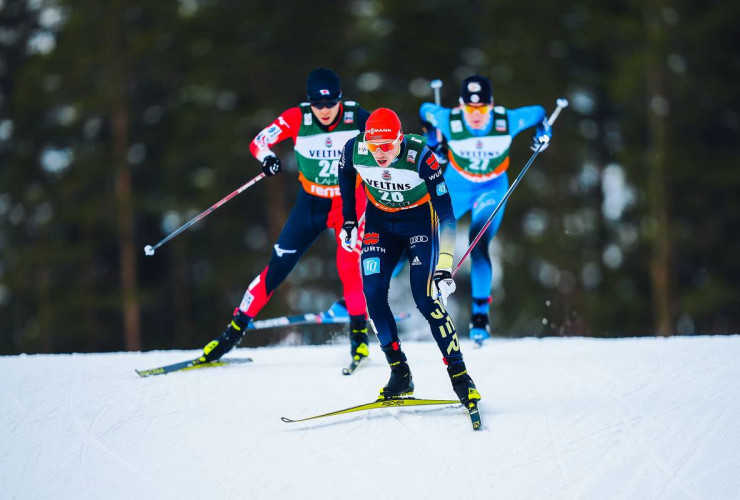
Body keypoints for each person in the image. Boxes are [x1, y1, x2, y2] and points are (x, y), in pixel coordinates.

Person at [199, 68, 371, 366]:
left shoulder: (358, 117)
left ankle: (358, 334)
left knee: (349, 268)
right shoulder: (297, 118)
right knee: (278, 267)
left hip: (349, 203)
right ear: (309, 102)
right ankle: (233, 332)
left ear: (340, 100)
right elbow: (259, 142)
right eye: (318, 104)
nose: (325, 111)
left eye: (331, 104)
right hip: (311, 203)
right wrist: (267, 158)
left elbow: (392, 138)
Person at [337, 107, 481, 410]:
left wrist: (444, 267)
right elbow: (346, 173)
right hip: (379, 224)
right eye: (374, 147)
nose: (380, 154)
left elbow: (447, 217)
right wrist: (349, 221)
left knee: (425, 298)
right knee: (372, 294)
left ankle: (461, 377)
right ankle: (400, 373)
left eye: (387, 146)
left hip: (418, 224)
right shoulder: (354, 149)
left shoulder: (420, 156)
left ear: (399, 139)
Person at [420, 75, 552, 346]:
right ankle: (416, 297)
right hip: (456, 186)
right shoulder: (449, 121)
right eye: (470, 108)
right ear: (460, 106)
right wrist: (432, 137)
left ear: (491, 105)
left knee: (478, 244)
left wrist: (543, 131)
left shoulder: (507, 122)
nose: (476, 115)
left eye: (482, 109)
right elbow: (425, 110)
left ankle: (480, 315)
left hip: (491, 189)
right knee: (424, 233)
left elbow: (539, 112)